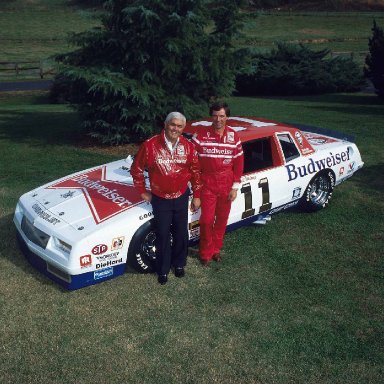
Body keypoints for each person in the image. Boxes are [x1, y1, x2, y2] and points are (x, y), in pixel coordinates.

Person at [130, 112, 202, 284]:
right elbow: (136, 170)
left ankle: (179, 264)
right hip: (160, 198)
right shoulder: (150, 145)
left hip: (181, 196)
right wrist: (142, 191)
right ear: (166, 124)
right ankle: (162, 270)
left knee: (180, 233)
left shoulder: (189, 146)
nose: (175, 129)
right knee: (162, 234)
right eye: (173, 125)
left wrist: (197, 195)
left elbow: (196, 173)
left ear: (183, 128)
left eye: (179, 126)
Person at [191, 102, 244, 265]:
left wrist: (235, 187)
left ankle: (216, 250)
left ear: (227, 117)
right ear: (211, 116)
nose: (218, 119)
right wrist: (196, 192)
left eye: (221, 116)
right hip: (207, 182)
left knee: (221, 220)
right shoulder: (200, 136)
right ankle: (205, 253)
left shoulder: (234, 136)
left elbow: (239, 163)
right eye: (215, 115)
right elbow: (193, 164)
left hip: (226, 182)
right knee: (206, 220)